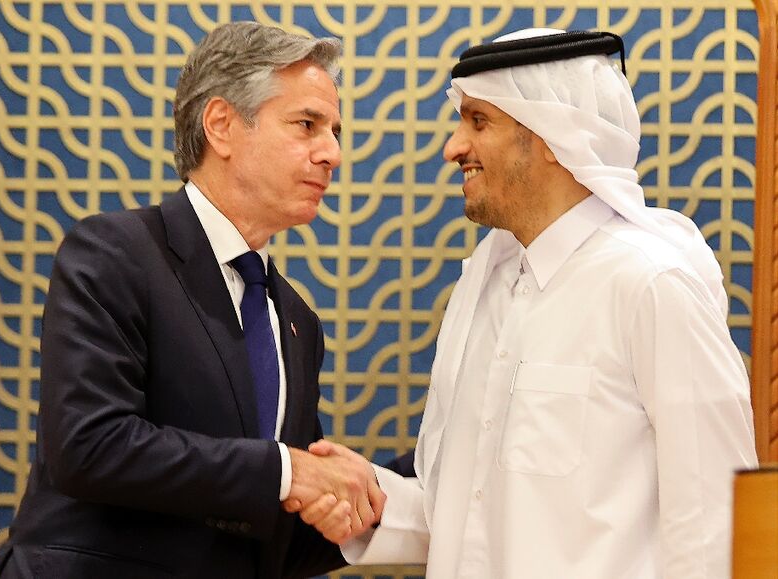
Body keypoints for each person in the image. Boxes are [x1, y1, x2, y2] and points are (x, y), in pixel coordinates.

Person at [294, 28, 758, 578]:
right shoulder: (484, 285)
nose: (453, 147)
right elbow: (474, 509)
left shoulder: (650, 283)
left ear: (549, 135)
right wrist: (369, 499)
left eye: (478, 121)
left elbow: (714, 528)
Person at [0, 21, 384, 579]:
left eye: (335, 132)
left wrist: (400, 495)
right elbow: (89, 445)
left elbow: (273, 529)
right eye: (307, 125)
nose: (332, 154)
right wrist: (287, 471)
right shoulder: (115, 253)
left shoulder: (297, 320)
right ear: (221, 126)